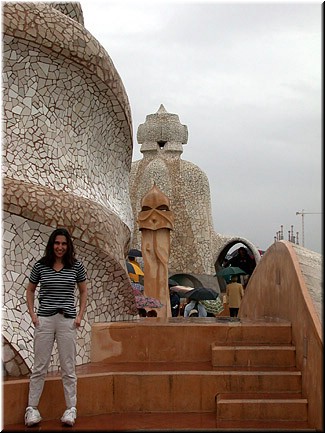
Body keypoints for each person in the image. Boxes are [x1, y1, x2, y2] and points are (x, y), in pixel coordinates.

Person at [24, 228, 88, 427]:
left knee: (68, 367)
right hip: (45, 319)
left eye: (64, 244)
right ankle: (32, 409)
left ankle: (70, 409)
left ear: (68, 246)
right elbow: (30, 290)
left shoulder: (76, 266)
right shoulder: (41, 266)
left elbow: (84, 291)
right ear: (52, 244)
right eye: (57, 243)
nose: (60, 247)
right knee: (39, 366)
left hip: (66, 320)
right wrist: (33, 315)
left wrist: (79, 316)